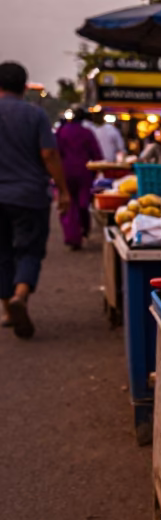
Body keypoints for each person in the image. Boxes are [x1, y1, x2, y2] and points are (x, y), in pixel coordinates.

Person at [0, 62, 71, 339]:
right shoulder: (35, 115)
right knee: (29, 250)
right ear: (25, 87)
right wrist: (63, 190)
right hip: (29, 195)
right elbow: (49, 155)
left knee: (2, 253)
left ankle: (7, 310)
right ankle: (20, 295)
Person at [55, 106, 102, 250]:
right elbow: (97, 154)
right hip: (84, 172)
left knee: (68, 204)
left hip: (65, 172)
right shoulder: (87, 133)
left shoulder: (61, 132)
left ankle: (72, 237)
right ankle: (84, 228)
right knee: (83, 203)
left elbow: (55, 152)